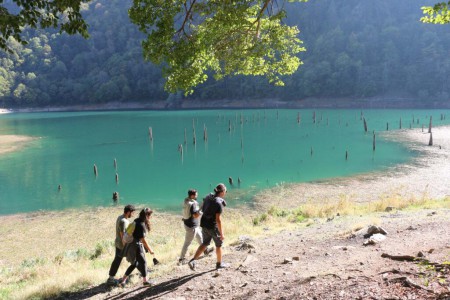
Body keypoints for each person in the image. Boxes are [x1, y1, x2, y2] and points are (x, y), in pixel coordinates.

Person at [188, 183, 228, 271]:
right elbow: (218, 220)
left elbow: (202, 208)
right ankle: (219, 264)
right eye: (225, 191)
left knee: (205, 243)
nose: (225, 193)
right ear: (222, 192)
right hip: (213, 226)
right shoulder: (219, 203)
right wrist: (222, 234)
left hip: (204, 224)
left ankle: (193, 260)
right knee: (219, 245)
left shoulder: (208, 197)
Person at [120, 207, 155, 287]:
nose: (150, 217)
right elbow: (143, 240)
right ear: (146, 215)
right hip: (136, 245)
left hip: (131, 245)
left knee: (135, 263)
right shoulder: (141, 224)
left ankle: (123, 280)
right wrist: (150, 250)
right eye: (150, 215)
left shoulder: (137, 220)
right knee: (143, 262)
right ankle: (145, 281)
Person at [179, 189, 213, 264]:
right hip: (191, 226)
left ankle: (206, 250)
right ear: (192, 195)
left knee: (200, 238)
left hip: (189, 224)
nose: (197, 196)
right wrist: (202, 211)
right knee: (187, 242)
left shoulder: (186, 201)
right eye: (196, 194)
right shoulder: (193, 204)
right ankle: (182, 259)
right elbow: (195, 215)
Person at [106, 204, 136, 286]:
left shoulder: (120, 217)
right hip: (122, 245)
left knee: (117, 260)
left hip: (118, 243)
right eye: (132, 213)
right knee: (134, 260)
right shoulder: (123, 221)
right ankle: (113, 279)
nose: (133, 215)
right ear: (128, 212)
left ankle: (111, 278)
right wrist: (127, 247)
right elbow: (123, 235)